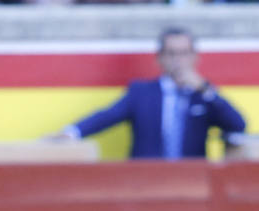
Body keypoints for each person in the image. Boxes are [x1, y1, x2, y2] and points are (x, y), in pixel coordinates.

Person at [51, 28, 247, 159]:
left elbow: (237, 124)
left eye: (184, 53)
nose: (178, 60)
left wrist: (206, 89)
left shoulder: (203, 95)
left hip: (192, 179)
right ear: (159, 58)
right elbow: (107, 116)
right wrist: (72, 132)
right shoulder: (142, 93)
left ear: (195, 57)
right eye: (171, 53)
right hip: (147, 179)